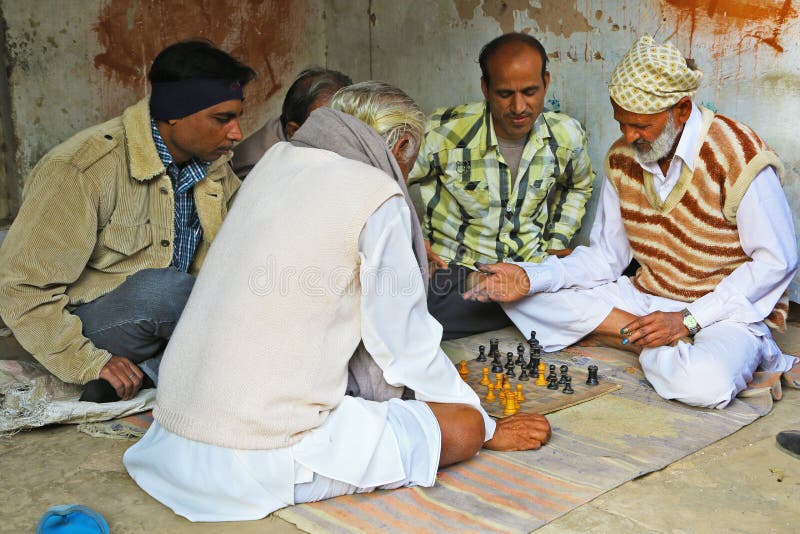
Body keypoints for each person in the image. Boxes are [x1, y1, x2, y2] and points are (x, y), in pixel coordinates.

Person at [123, 81, 551, 522]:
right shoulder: (374, 192)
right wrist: (486, 424)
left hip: (173, 434)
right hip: (254, 456)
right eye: (409, 160)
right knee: (462, 428)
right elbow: (406, 348)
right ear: (401, 146)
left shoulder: (275, 162)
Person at [464, 35, 799, 409]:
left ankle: (651, 340)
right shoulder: (625, 156)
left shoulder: (737, 153)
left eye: (641, 125)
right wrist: (530, 277)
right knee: (522, 297)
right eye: (621, 122)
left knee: (703, 384)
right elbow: (607, 257)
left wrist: (687, 320)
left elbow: (777, 261)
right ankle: (651, 338)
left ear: (682, 110)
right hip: (643, 298)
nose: (628, 136)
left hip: (722, 311)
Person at [0, 40, 255, 403]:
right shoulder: (82, 168)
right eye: (222, 118)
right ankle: (156, 368)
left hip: (175, 318)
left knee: (249, 285)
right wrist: (88, 362)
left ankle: (150, 373)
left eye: (236, 117)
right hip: (90, 326)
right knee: (165, 291)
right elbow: (20, 289)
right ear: (175, 115)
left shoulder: (214, 169)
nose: (236, 133)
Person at [409, 33, 595, 340]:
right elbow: (385, 182)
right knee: (413, 310)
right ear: (485, 88)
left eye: (531, 91)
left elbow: (579, 185)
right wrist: (413, 239)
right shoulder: (443, 133)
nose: (519, 106)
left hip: (527, 274)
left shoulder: (566, 135)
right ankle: (525, 317)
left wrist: (557, 241)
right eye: (505, 93)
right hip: (459, 276)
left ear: (546, 83)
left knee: (589, 290)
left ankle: (522, 312)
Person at [231, 67, 352, 179]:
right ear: (294, 131)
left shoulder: (303, 129)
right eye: (330, 128)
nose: (345, 134)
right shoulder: (264, 169)